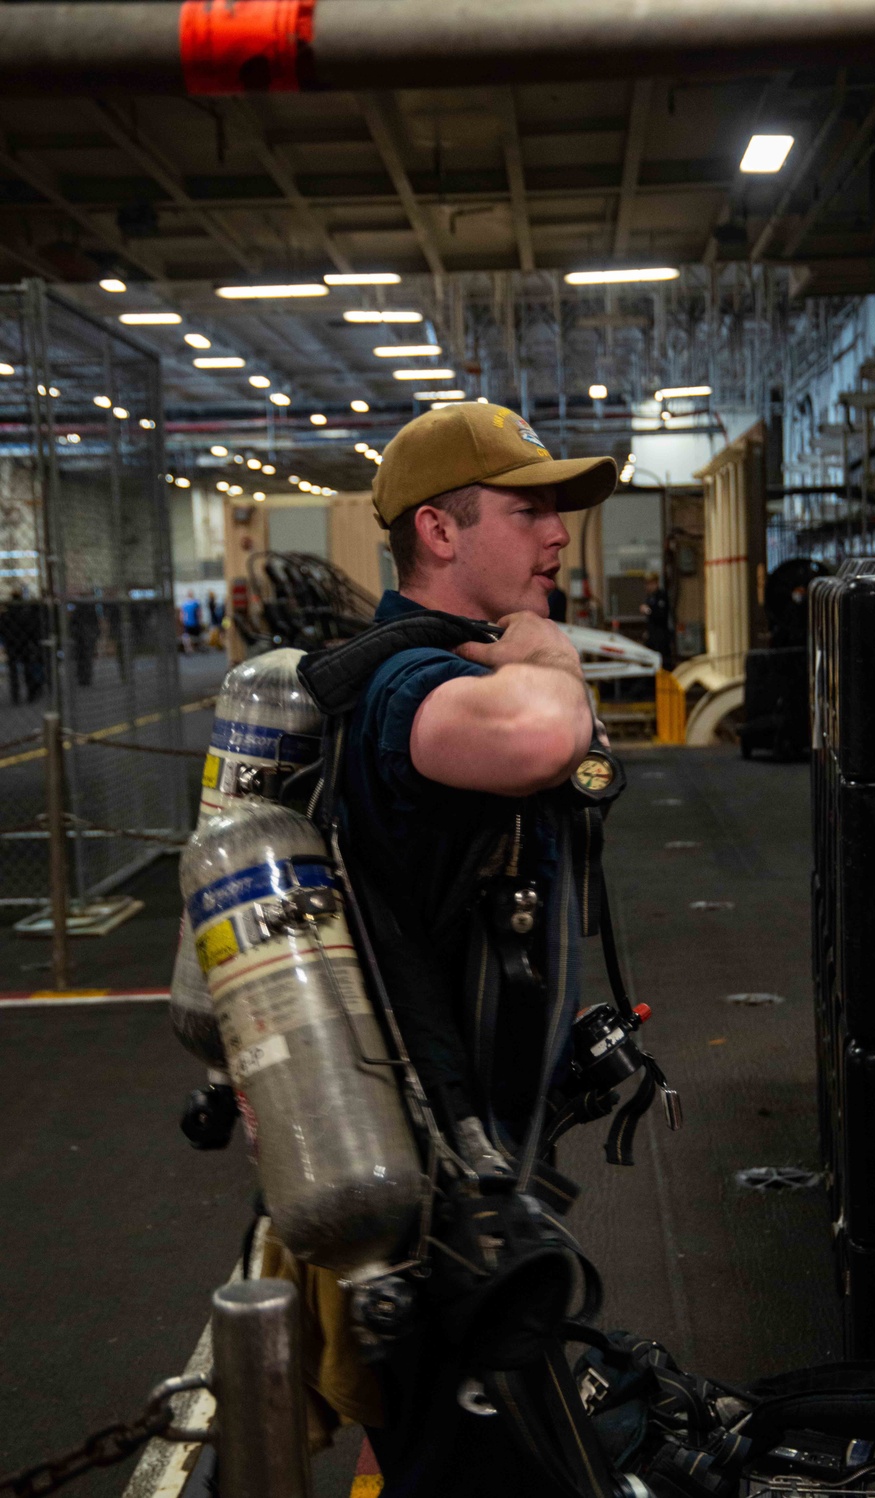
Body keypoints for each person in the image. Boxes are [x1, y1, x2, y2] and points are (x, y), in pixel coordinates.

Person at [262, 401, 618, 1494]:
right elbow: (538, 735)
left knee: (429, 1439)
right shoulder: (404, 686)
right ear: (440, 530)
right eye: (529, 509)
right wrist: (550, 650)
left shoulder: (458, 663)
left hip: (469, 1161)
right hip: (434, 1195)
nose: (558, 533)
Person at [640, 570, 673, 669]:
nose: (648, 587)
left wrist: (648, 611)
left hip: (661, 635)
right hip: (652, 634)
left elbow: (660, 615)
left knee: (662, 661)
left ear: (655, 583)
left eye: (650, 584)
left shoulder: (661, 596)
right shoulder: (650, 597)